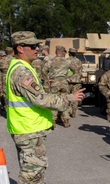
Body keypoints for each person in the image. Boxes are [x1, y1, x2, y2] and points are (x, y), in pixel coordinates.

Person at [6, 31, 85, 184]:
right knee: (32, 177)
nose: (37, 49)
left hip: (26, 129)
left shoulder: (21, 67)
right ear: (20, 48)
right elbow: (40, 99)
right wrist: (69, 98)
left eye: (37, 45)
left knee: (34, 175)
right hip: (28, 131)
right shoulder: (21, 71)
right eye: (33, 46)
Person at [42, 45, 75, 128]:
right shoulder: (67, 62)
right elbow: (76, 70)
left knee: (54, 101)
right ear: (63, 52)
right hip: (64, 83)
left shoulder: (51, 61)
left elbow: (44, 71)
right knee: (65, 100)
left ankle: (53, 121)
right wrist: (69, 78)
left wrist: (47, 80)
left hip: (54, 83)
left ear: (55, 52)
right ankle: (66, 120)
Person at [67, 47, 82, 118]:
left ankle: (66, 111)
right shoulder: (79, 61)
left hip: (68, 81)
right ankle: (74, 111)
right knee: (76, 97)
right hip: (77, 81)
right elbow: (80, 71)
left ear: (69, 53)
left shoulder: (66, 61)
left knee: (67, 96)